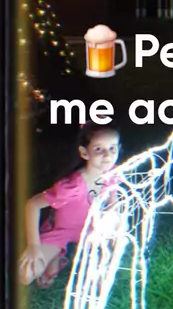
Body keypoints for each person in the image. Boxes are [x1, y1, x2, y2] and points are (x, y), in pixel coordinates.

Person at [19, 121, 121, 288]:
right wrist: (33, 246)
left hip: (91, 229)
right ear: (84, 152)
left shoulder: (111, 174)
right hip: (61, 231)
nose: (107, 156)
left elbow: (113, 203)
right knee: (25, 275)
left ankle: (74, 255)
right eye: (98, 149)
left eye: (112, 148)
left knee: (100, 282)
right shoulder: (71, 187)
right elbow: (32, 205)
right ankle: (56, 256)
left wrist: (112, 227)